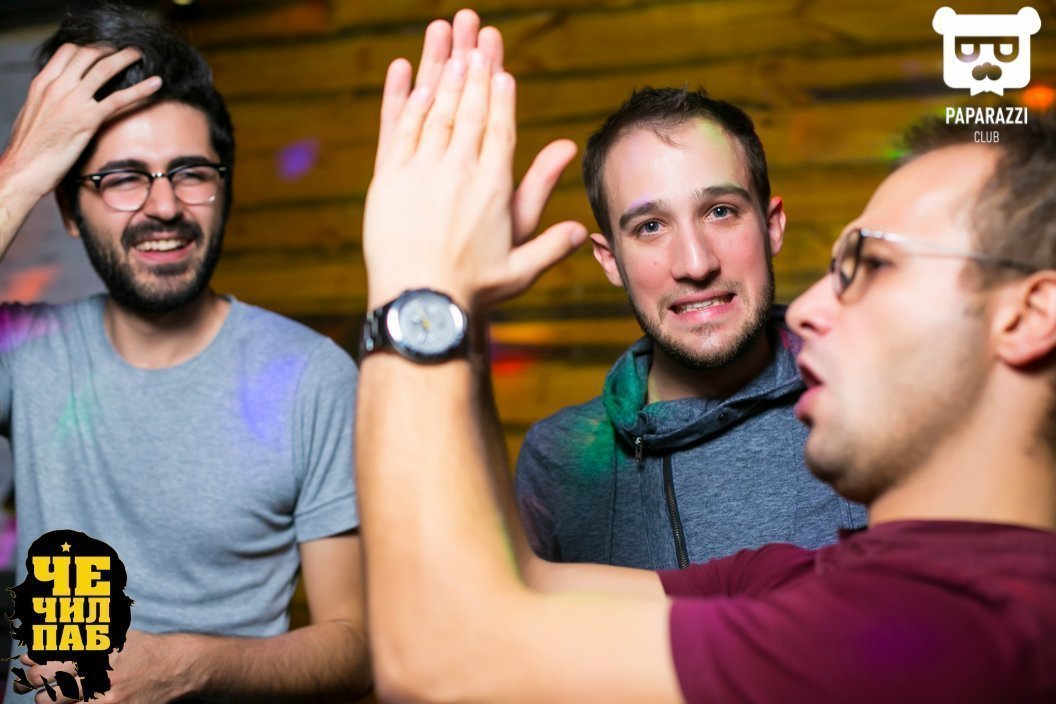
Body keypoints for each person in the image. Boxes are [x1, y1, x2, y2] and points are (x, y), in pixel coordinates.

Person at [357, 10, 1056, 703]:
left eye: (871, 265)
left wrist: (413, 287)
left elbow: (443, 663)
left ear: (1029, 317)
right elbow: (529, 585)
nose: (807, 308)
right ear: (610, 256)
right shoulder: (817, 576)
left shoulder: (955, 628)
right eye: (650, 226)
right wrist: (463, 310)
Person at [0, 5, 369, 702]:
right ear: (70, 212)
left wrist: (190, 667)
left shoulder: (311, 376)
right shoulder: (25, 354)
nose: (164, 206)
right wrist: (18, 174)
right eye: (122, 177)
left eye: (191, 172)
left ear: (224, 189)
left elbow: (354, 650)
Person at [515, 86, 863, 569]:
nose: (696, 265)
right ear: (610, 260)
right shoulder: (559, 461)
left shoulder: (873, 400)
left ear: (772, 226)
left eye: (720, 211)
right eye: (650, 227)